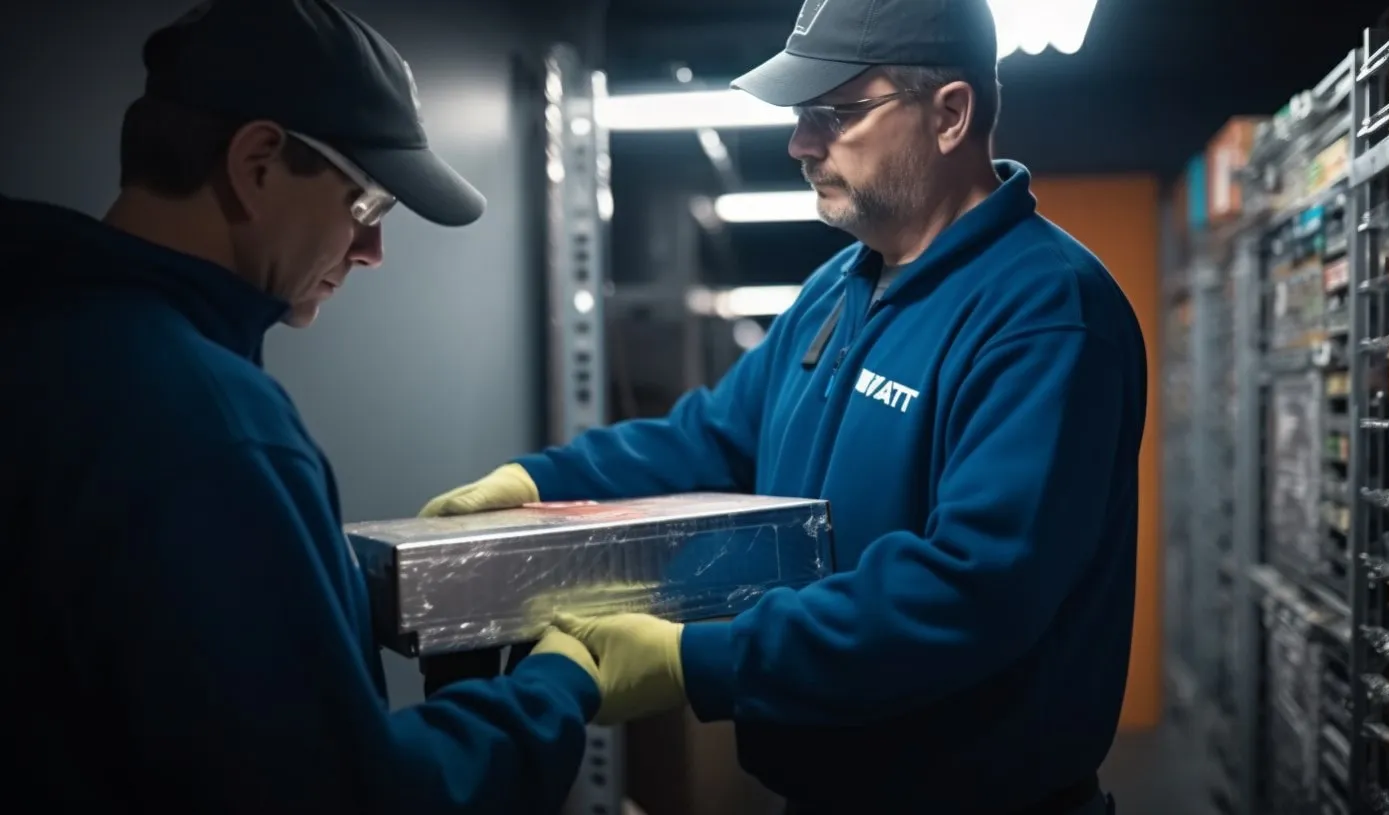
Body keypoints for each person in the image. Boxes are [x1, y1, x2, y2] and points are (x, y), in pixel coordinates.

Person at [421, 0, 1146, 812]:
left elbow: (971, 590)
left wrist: (698, 659)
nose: (800, 144)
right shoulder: (835, 292)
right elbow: (713, 438)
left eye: (833, 113)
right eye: (801, 115)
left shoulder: (1045, 313)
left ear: (949, 114)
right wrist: (535, 483)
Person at [0, 1, 604, 811]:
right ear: (257, 163)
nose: (372, 251)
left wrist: (344, 583)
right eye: (368, 205)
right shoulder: (211, 427)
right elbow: (342, 796)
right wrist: (555, 685)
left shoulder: (42, 334)